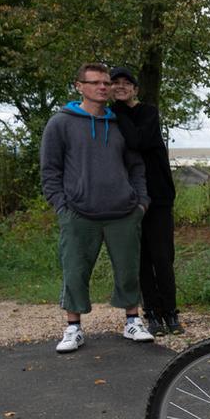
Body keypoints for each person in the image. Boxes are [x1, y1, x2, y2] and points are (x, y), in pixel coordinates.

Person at [40, 63, 155, 353]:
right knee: (75, 271)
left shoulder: (120, 123)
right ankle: (73, 328)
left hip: (123, 213)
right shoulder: (61, 123)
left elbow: (136, 166)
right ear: (79, 86)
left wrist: (141, 203)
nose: (103, 87)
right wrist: (61, 207)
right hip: (79, 213)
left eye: (106, 82)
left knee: (128, 271)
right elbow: (50, 170)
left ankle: (132, 321)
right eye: (95, 83)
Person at [110, 66, 183, 336]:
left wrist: (119, 110)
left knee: (162, 256)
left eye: (126, 83)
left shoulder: (148, 112)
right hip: (128, 196)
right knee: (140, 258)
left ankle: (170, 312)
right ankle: (151, 312)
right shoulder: (110, 116)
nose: (120, 86)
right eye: (115, 82)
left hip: (159, 195)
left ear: (135, 89)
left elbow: (137, 140)